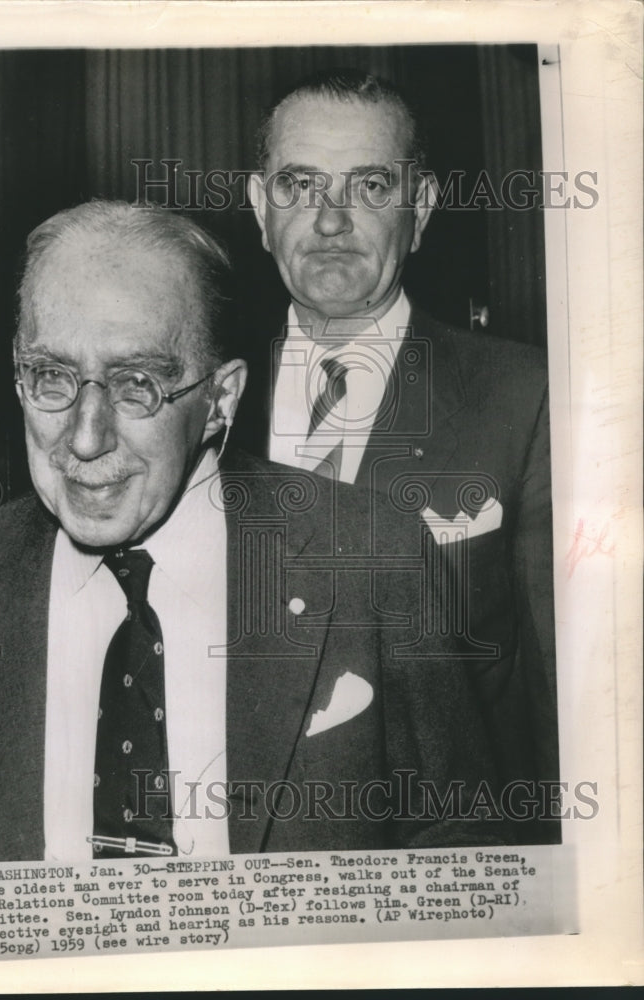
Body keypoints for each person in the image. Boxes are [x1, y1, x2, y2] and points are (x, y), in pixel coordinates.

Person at [0, 199, 505, 864]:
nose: (83, 437)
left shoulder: (367, 554)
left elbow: (465, 848)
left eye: (137, 385)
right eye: (50, 376)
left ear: (219, 399)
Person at [243, 69, 558, 841]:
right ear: (259, 207)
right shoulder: (195, 402)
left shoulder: (524, 397)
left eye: (369, 185)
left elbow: (566, 696)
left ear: (418, 209)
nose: (329, 219)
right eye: (298, 184)